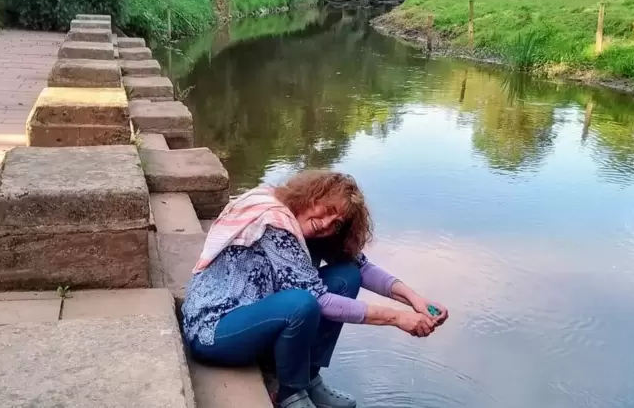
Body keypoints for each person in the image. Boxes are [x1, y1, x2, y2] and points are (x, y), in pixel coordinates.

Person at [182, 170, 449, 408]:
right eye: (327, 209)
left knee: (347, 274)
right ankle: (289, 394)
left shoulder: (307, 228)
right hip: (214, 331)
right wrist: (396, 318)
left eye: (338, 222)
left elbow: (363, 268)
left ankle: (308, 377)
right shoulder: (276, 222)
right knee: (302, 303)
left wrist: (415, 299)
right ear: (310, 196)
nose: (327, 222)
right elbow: (318, 300)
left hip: (253, 317)